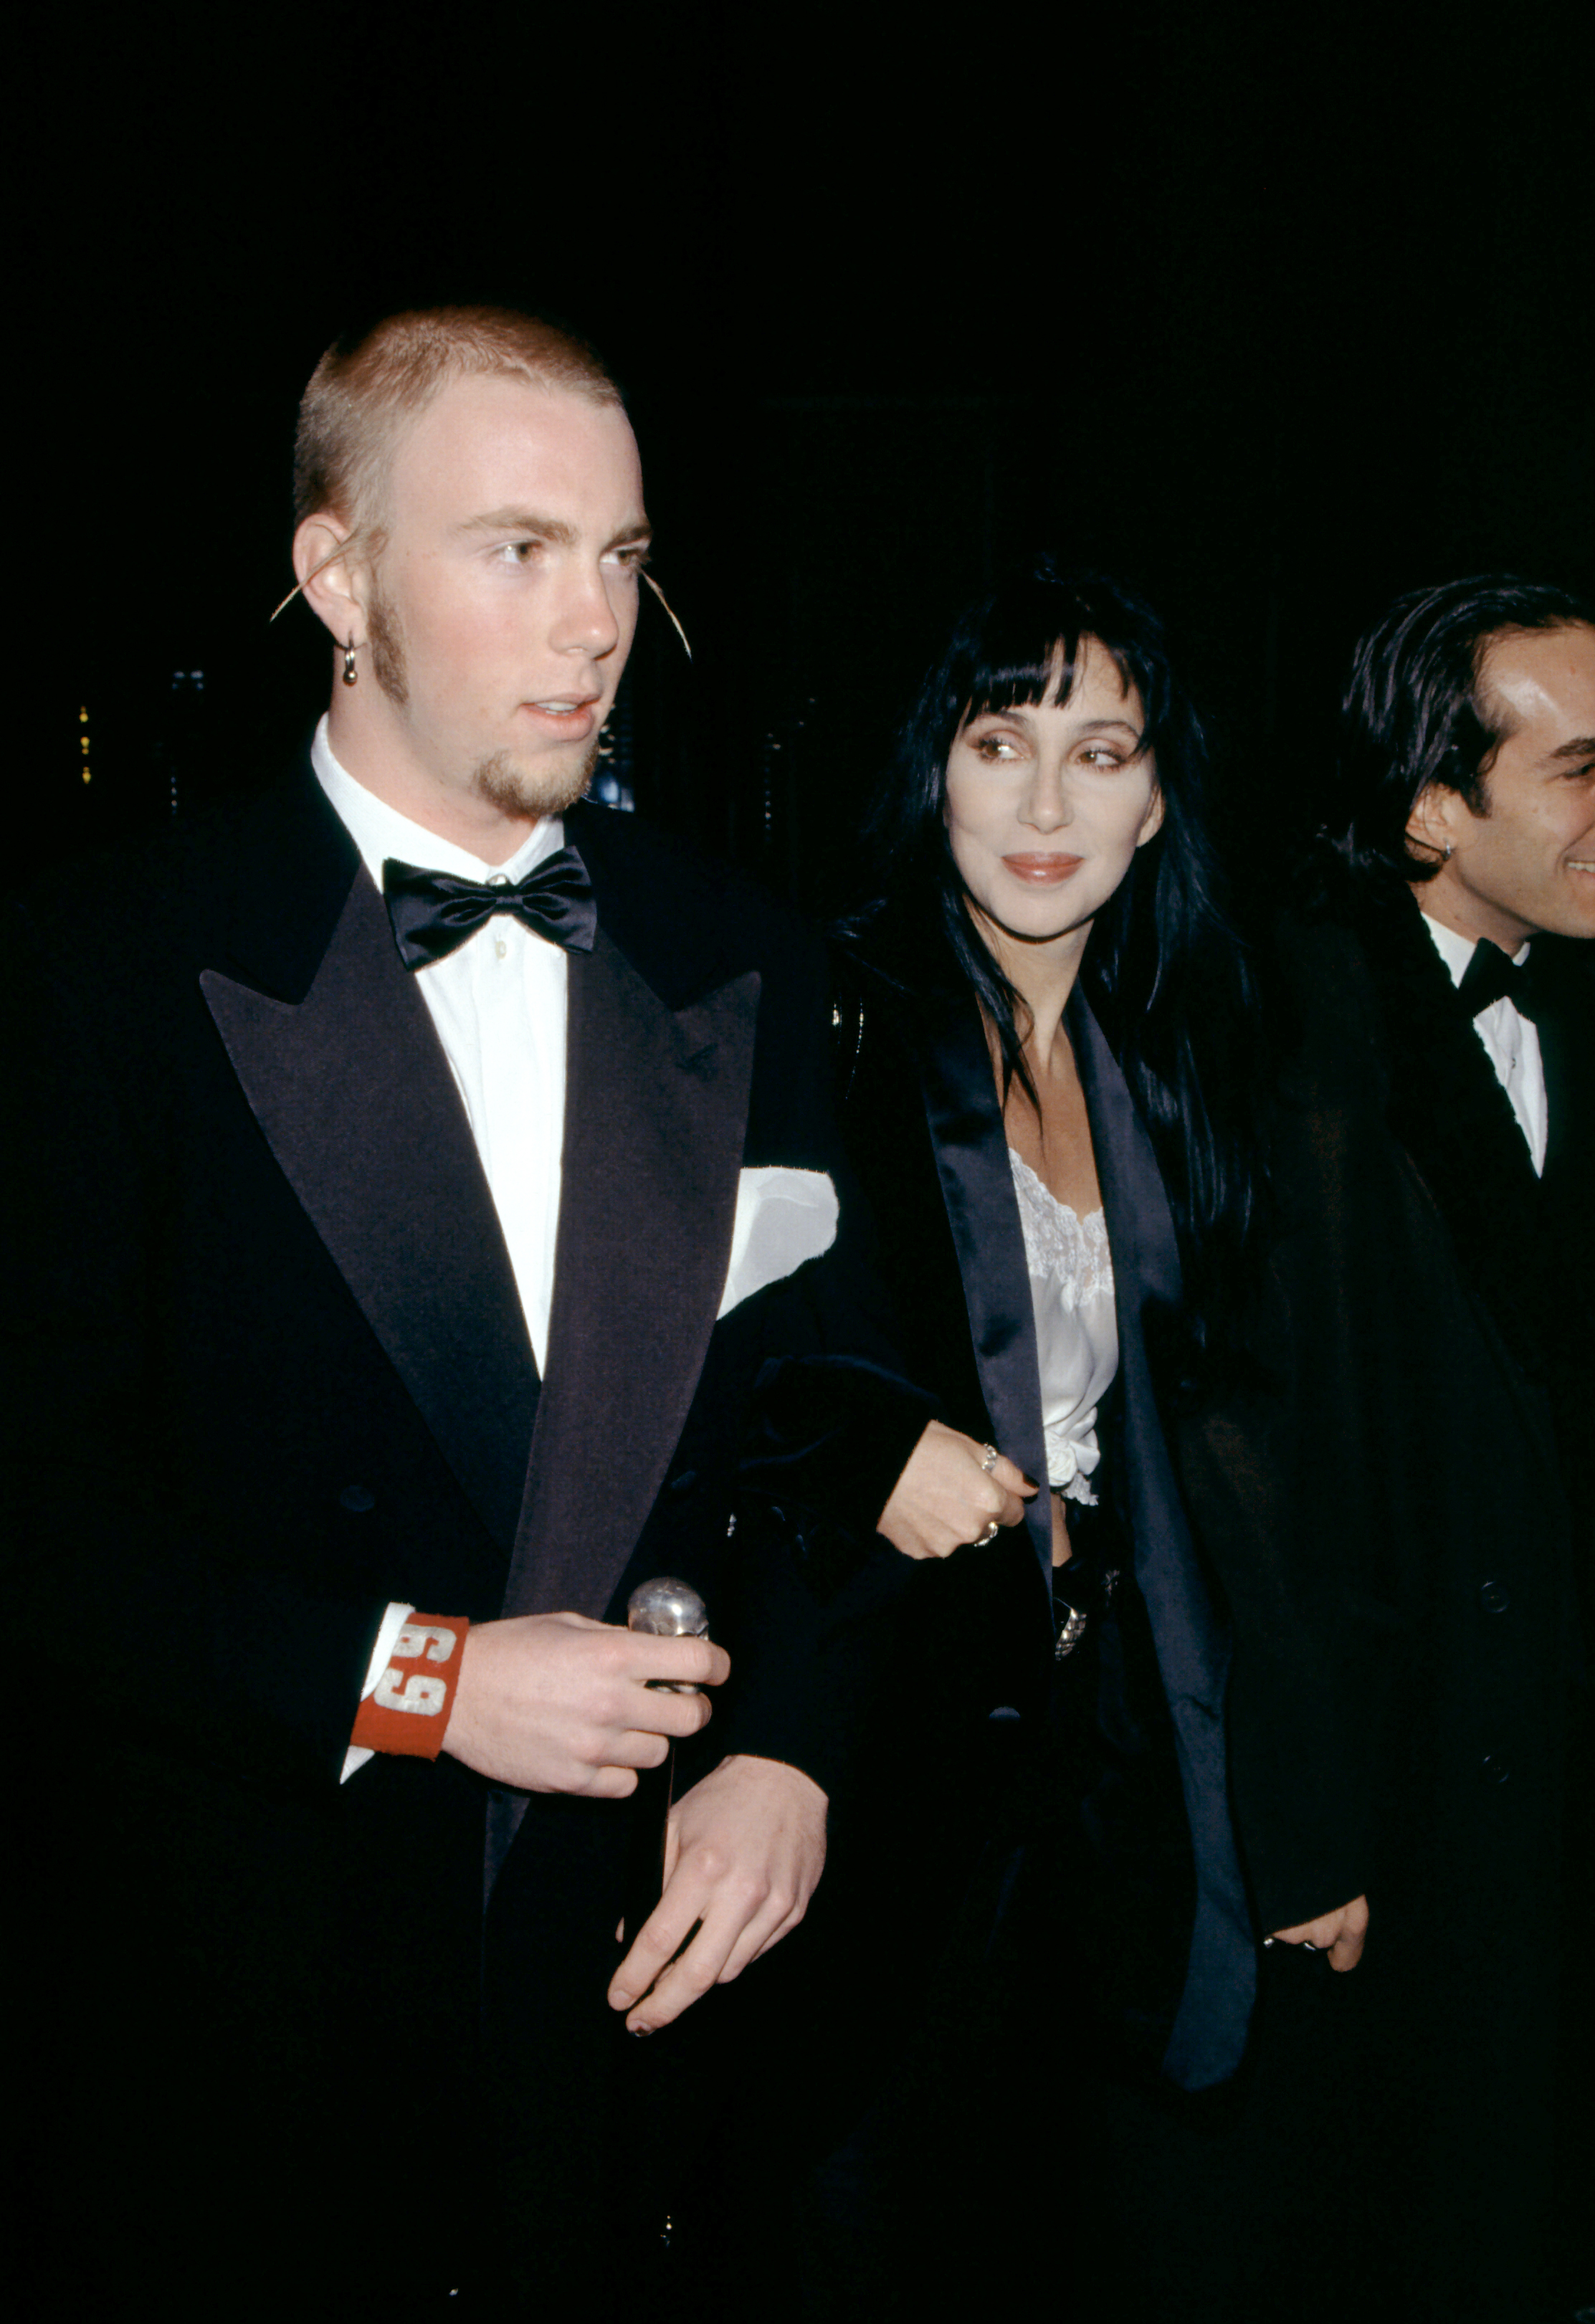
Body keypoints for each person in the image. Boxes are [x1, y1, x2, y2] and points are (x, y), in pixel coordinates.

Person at [5, 305, 980, 2318]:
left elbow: (845, 1407)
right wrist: (419, 1679)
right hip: (259, 2019)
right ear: (337, 575)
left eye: (621, 558)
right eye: (516, 549)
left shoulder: (747, 955)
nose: (595, 622)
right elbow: (43, 1521)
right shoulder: (96, 965)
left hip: (641, 2018)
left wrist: (790, 1751)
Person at [782, 560, 1291, 2313]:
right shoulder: (825, 1015)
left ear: (1160, 799)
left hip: (1107, 1742)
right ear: (936, 769)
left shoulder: (1175, 1057)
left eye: (1101, 750)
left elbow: (1242, 1452)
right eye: (1001, 742)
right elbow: (695, 1356)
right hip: (882, 1724)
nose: (1048, 802)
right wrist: (866, 1449)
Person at [1168, 575, 1592, 2323]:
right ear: (1432, 808)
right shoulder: (1293, 1032)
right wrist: (1307, 1820)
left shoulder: (1560, 993)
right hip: (1407, 1793)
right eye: (1582, 768)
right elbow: (1251, 1459)